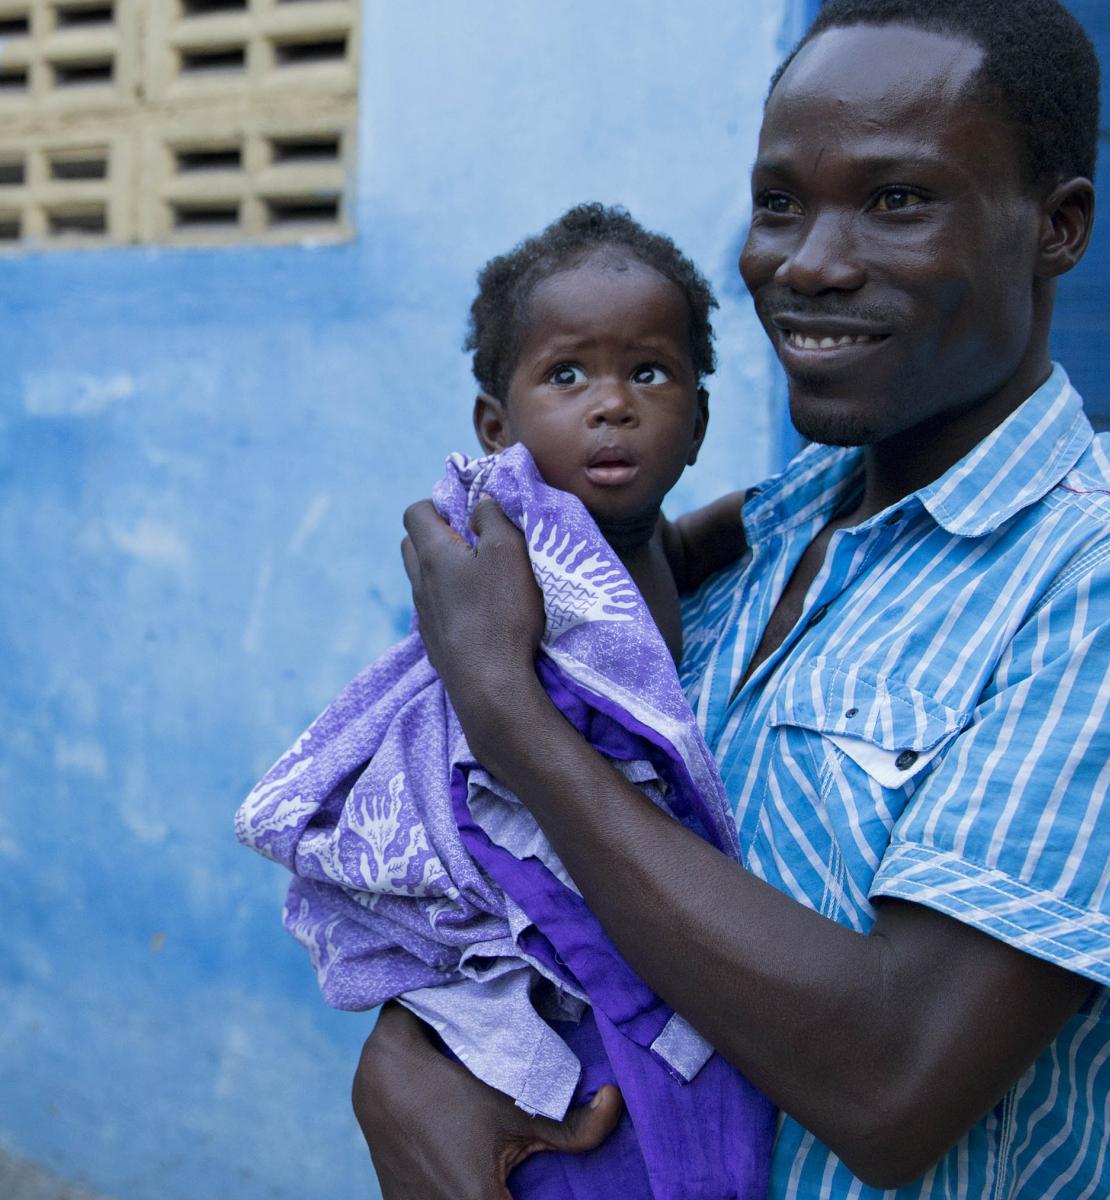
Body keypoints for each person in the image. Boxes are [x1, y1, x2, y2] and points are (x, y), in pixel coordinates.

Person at [353, 1, 1110, 1198]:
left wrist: (506, 707)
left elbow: (895, 1079)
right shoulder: (753, 532)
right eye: (778, 203)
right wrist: (418, 1057)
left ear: (1057, 227)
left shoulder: (1083, 580)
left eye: (896, 201)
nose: (806, 263)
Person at [238, 204, 773, 1194]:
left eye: (647, 373)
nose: (610, 404)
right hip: (537, 860)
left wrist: (767, 508)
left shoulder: (645, 535)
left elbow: (675, 559)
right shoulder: (529, 544)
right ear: (499, 426)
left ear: (697, 420)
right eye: (567, 376)